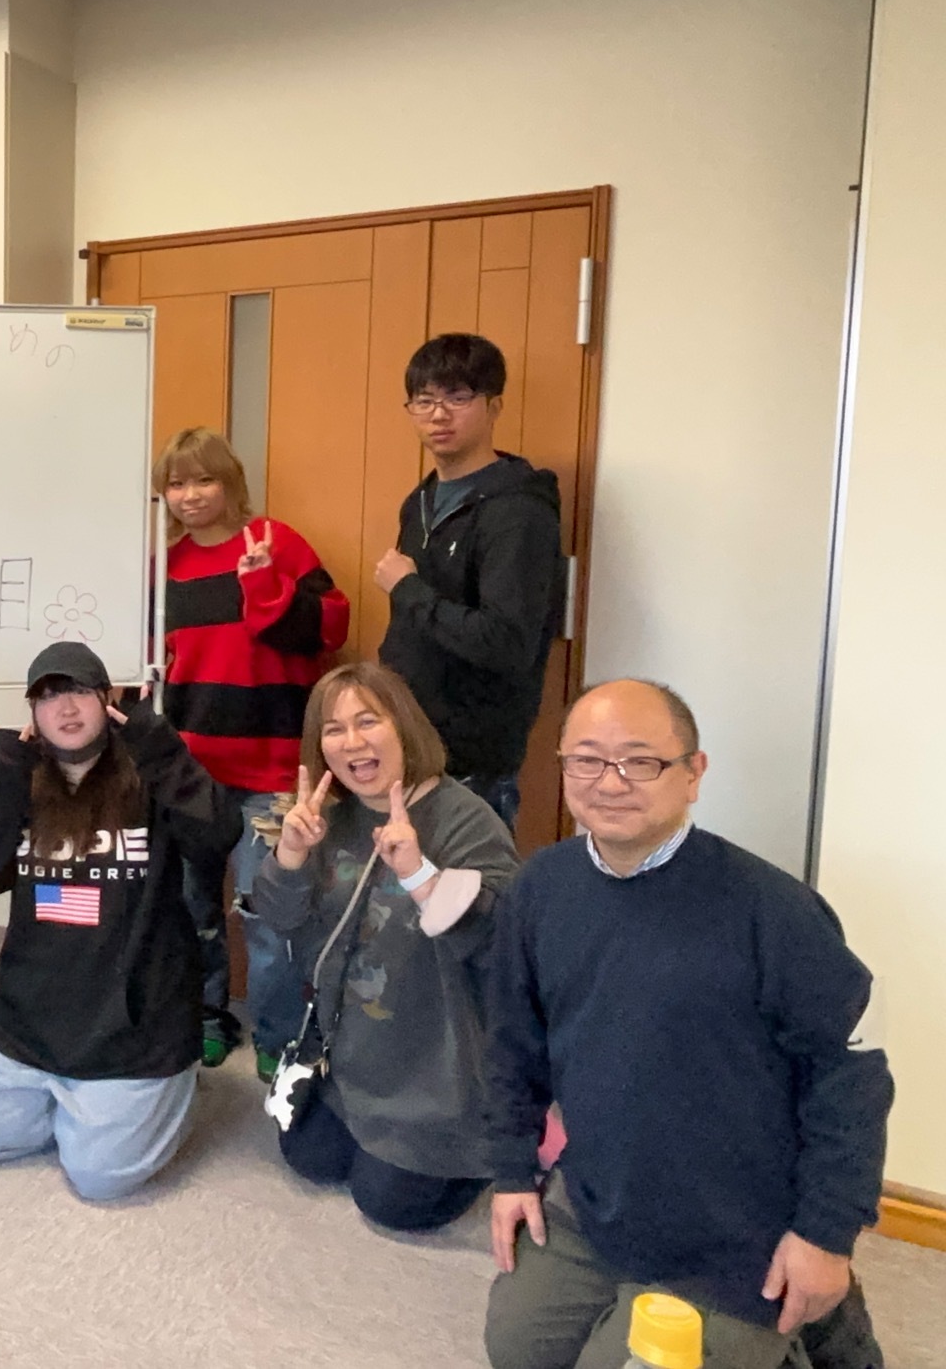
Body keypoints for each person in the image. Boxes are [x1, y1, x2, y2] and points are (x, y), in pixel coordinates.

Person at [485, 680, 891, 1369]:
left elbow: (848, 1079)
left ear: (694, 773)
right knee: (518, 1351)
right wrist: (511, 1174)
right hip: (598, 1206)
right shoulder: (540, 889)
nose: (610, 781)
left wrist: (827, 1235)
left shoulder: (774, 910)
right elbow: (512, 1046)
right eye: (587, 759)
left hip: (733, 1232)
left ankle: (819, 1329)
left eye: (640, 761)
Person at [0, 642, 237, 1200]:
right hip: (35, 1012)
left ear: (106, 699)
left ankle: (158, 1092)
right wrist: (3, 777)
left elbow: (217, 836)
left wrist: (161, 751)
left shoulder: (148, 767)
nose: (65, 707)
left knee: (100, 1176)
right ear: (32, 711)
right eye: (47, 696)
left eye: (79, 691)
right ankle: (84, 1102)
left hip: (137, 1018)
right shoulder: (23, 775)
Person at [252, 661, 518, 1231]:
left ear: (404, 726)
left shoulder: (466, 819)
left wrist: (420, 875)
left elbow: (503, 946)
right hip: (351, 1054)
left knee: (390, 1204)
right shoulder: (327, 816)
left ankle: (496, 1137)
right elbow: (279, 918)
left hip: (435, 1068)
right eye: (334, 729)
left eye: (368, 721)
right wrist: (291, 853)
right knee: (309, 1158)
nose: (352, 741)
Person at [153, 427, 350, 1074]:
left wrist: (266, 586)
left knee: (270, 917)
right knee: (192, 909)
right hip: (190, 774)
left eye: (203, 479)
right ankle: (205, 1017)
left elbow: (333, 627)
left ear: (231, 482)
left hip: (273, 772)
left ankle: (278, 1038)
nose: (190, 495)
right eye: (176, 483)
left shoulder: (276, 541)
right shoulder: (164, 565)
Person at [374, 333, 565, 834]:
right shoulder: (419, 502)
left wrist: (408, 589)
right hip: (406, 746)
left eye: (458, 398)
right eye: (424, 400)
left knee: (468, 885)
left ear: (493, 406)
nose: (438, 415)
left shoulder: (519, 511)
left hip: (473, 766)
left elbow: (506, 642)